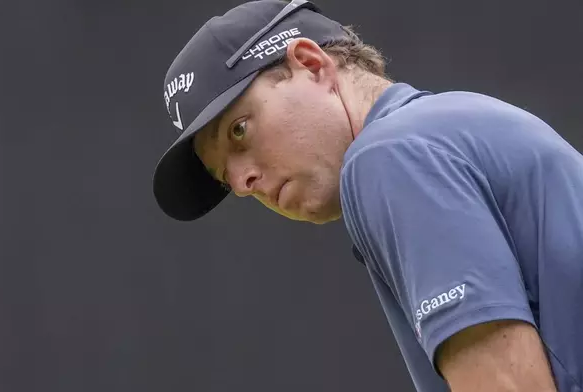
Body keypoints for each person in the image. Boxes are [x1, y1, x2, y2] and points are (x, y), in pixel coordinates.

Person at [152, 1, 583, 391]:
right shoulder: (445, 126)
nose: (243, 183)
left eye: (239, 130)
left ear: (311, 63)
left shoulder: (388, 155)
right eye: (225, 175)